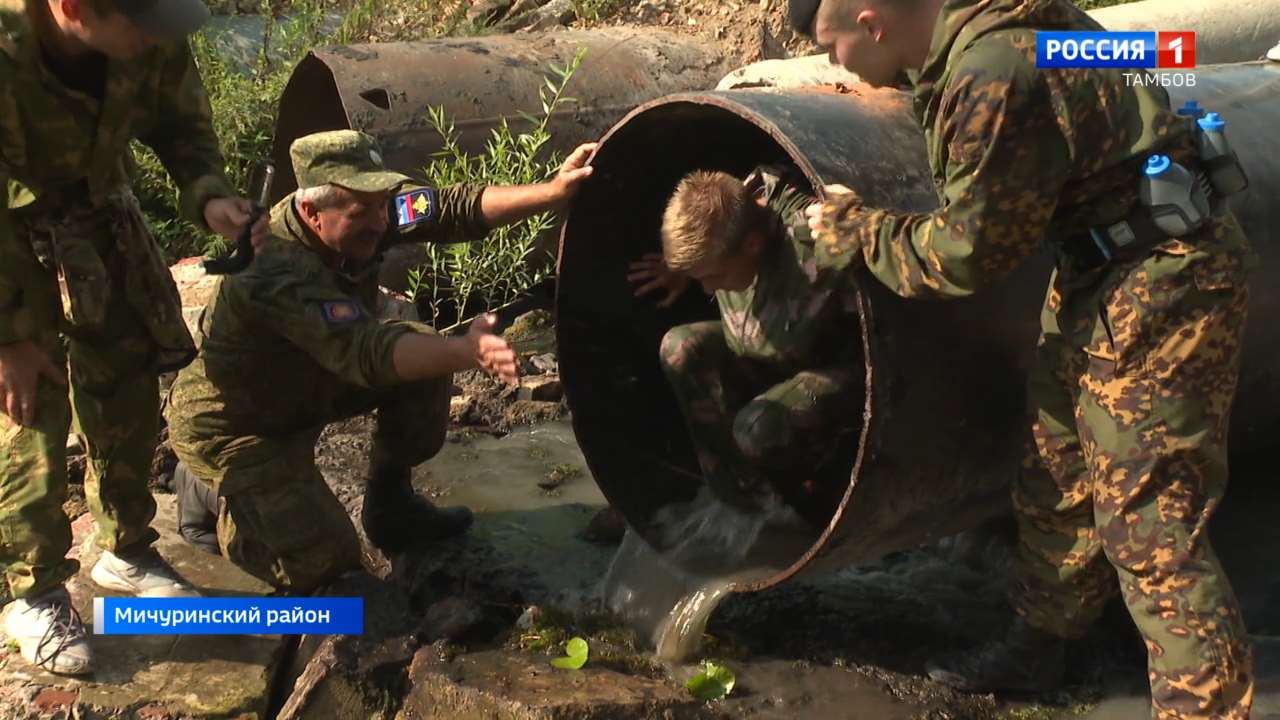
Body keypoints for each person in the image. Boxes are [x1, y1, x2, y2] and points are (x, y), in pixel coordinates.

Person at [790, 0, 1255, 716]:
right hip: (1108, 260)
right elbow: (1146, 66)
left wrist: (858, 232)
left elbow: (965, 259)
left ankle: (1206, 705)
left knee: (1152, 522)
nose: (834, 66)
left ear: (871, 18)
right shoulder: (1028, 23)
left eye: (833, 46)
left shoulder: (992, 69)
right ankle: (1038, 646)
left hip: (1163, 278)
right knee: (1057, 465)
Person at [165, 129, 597, 595]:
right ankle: (216, 496)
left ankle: (391, 508)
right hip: (239, 426)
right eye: (362, 213)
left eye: (382, 204)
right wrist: (466, 351)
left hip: (310, 381)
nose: (380, 221)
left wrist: (552, 193)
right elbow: (365, 351)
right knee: (329, 566)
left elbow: (451, 207)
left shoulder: (364, 206)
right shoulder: (273, 268)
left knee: (422, 354)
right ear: (312, 212)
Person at [0, 0, 270, 675]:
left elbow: (182, 126)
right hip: (6, 244)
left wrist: (210, 196)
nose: (155, 38)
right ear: (73, 9)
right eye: (142, 25)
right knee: (26, 414)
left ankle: (124, 549)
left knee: (125, 387)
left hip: (97, 220)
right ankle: (32, 594)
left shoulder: (147, 26)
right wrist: (5, 338)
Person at [629, 166, 862, 517]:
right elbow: (709, 231)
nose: (706, 290)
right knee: (679, 346)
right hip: (769, 356)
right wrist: (679, 271)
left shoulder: (812, 237)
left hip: (843, 371)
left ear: (752, 245)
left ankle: (812, 509)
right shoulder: (730, 218)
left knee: (758, 427)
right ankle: (738, 498)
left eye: (712, 276)